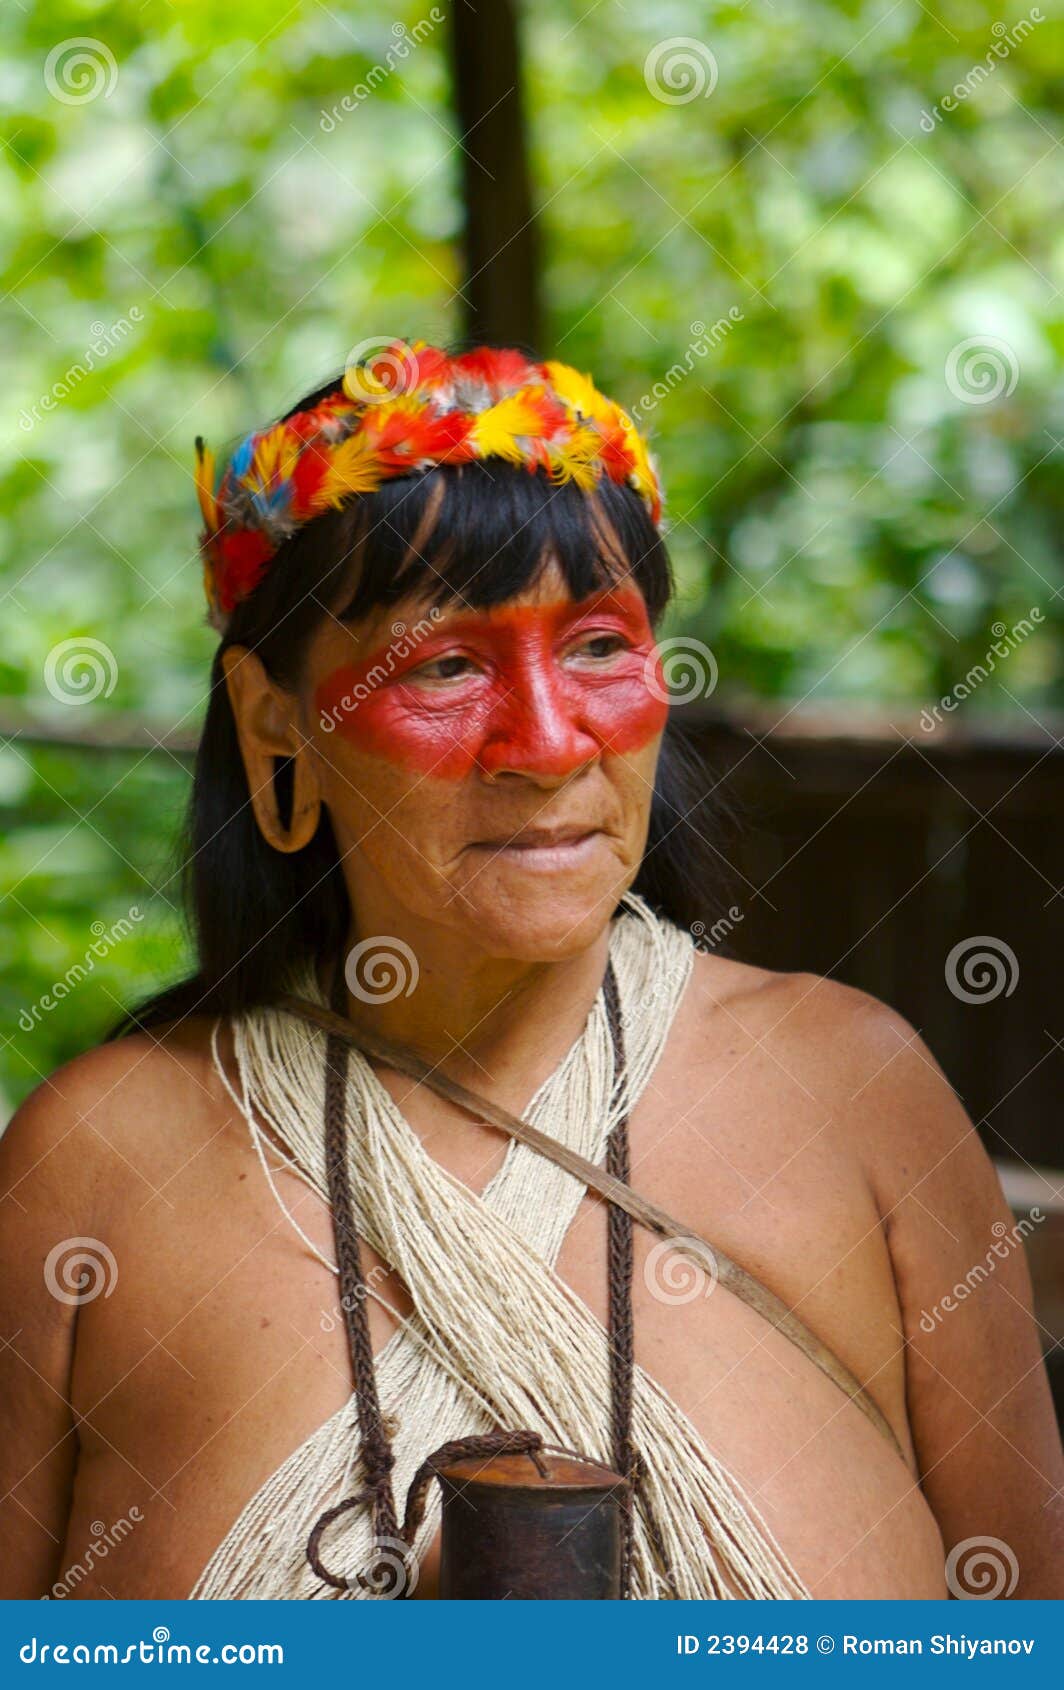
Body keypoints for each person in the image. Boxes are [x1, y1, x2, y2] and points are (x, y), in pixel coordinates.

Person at [1, 340, 1060, 1601]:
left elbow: (1027, 1635)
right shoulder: (100, 1160)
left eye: (601, 648)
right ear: (274, 719)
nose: (549, 744)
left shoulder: (851, 1089)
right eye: (444, 665)